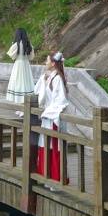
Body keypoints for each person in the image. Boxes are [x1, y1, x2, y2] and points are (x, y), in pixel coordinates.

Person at [34, 52, 69, 185]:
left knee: (54, 148)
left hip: (53, 118)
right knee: (44, 146)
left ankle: (55, 180)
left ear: (53, 63)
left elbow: (61, 101)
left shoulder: (58, 79)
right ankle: (46, 177)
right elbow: (39, 95)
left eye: (47, 60)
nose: (45, 62)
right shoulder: (48, 77)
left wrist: (49, 112)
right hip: (47, 116)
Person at [5, 29, 35, 104]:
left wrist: (13, 44)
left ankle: (20, 102)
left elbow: (12, 56)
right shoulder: (29, 44)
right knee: (27, 81)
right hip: (26, 65)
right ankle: (27, 102)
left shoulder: (16, 44)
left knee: (18, 82)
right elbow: (31, 57)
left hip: (18, 65)